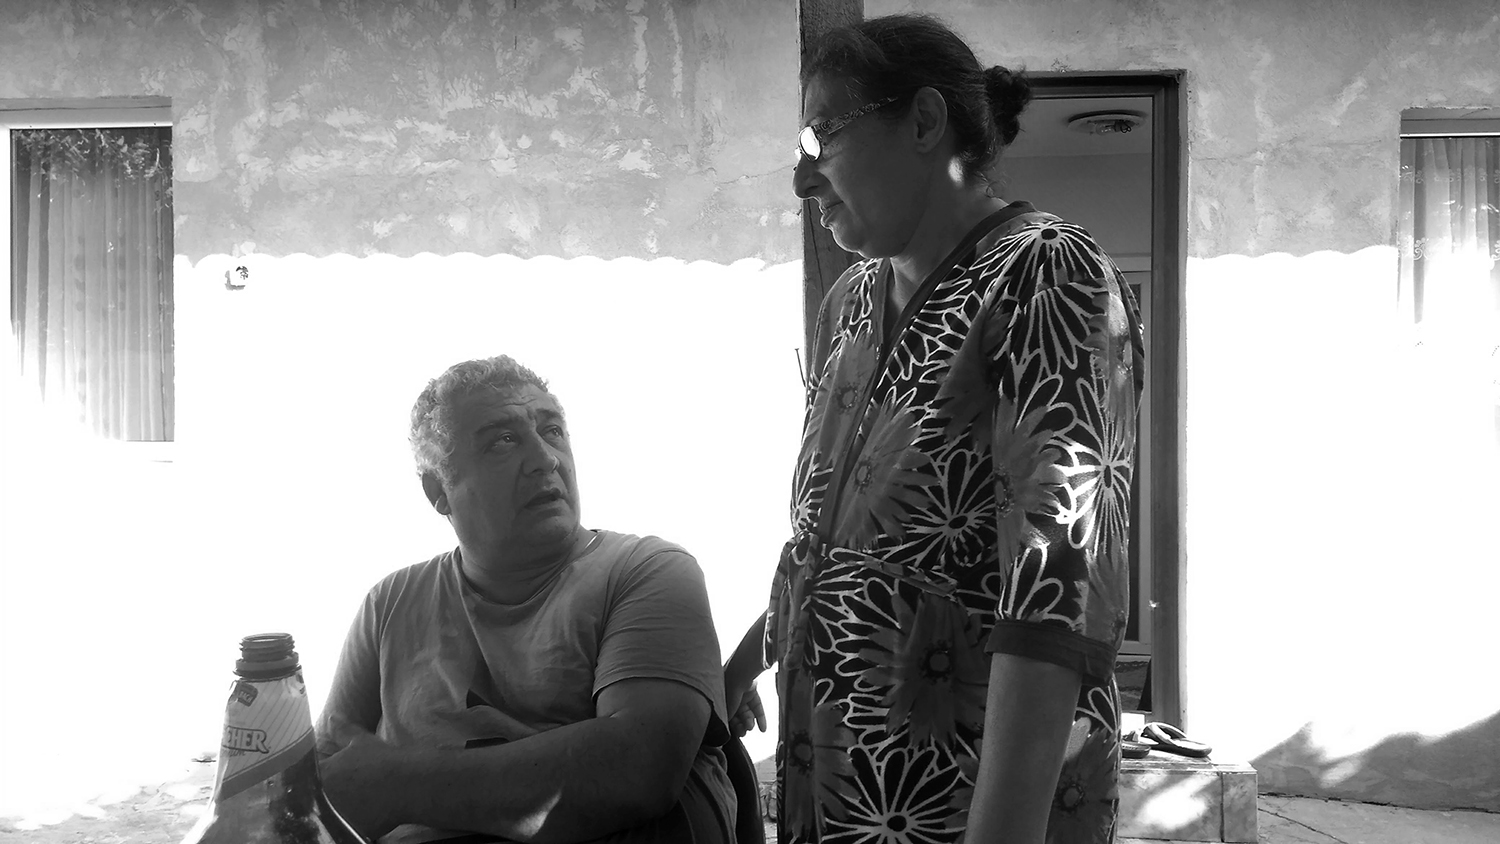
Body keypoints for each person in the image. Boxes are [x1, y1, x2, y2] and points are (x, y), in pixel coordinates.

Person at [721, 13, 1145, 844]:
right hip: (841, 793)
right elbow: (830, 539)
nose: (801, 183)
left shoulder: (1044, 271)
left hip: (968, 805)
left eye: (820, 140)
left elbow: (1057, 579)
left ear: (922, 121)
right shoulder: (849, 305)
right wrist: (744, 661)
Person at [316, 355, 737, 844]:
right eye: (503, 440)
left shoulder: (648, 570)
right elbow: (330, 778)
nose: (545, 459)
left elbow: (640, 766)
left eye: (553, 431)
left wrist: (394, 786)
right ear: (438, 490)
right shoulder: (389, 604)